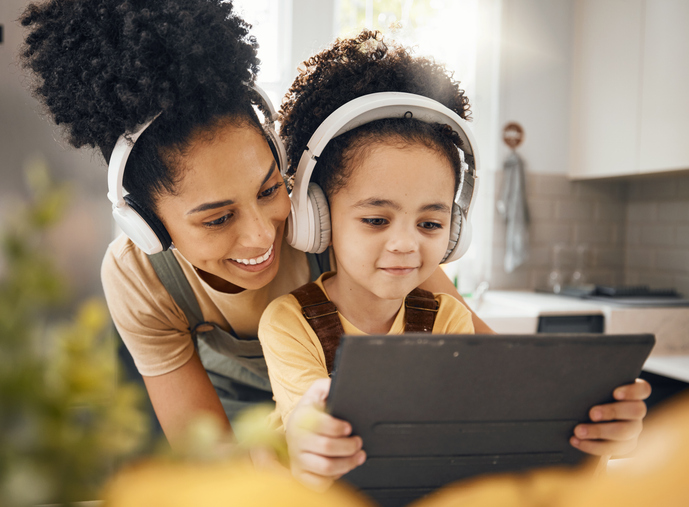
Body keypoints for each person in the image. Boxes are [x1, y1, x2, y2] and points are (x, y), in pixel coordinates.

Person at [18, 0, 493, 449]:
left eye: (270, 190)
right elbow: (209, 456)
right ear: (146, 222)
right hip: (245, 429)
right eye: (218, 218)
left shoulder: (345, 230)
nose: (262, 235)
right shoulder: (139, 278)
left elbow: (503, 372)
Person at [257, 31, 652, 490]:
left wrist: (588, 435)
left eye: (429, 224)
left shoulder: (446, 316)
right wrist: (309, 437)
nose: (406, 244)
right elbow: (302, 427)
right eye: (375, 220)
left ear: (455, 229)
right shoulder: (288, 321)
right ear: (318, 220)